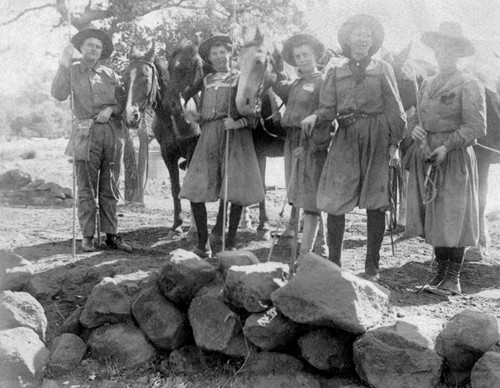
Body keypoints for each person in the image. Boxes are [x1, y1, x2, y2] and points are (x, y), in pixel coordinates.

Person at [301, 14, 406, 281]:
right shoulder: (336, 71)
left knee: (376, 202)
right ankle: (334, 263)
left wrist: (394, 144)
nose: (362, 39)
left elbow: (396, 110)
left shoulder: (383, 68)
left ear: (372, 42)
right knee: (336, 201)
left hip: (377, 135)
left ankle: (372, 266)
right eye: (357, 35)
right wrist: (316, 116)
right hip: (346, 137)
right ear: (347, 40)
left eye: (367, 36)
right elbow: (327, 107)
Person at [406, 22, 486, 295]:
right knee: (436, 215)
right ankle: (439, 274)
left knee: (456, 216)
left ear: (459, 52)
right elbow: (417, 115)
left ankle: (454, 277)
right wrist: (415, 128)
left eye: (450, 48)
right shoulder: (427, 82)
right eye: (440, 47)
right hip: (429, 154)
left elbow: (477, 126)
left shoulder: (469, 83)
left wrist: (447, 146)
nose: (444, 53)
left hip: (455, 157)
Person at [179, 34, 264, 258]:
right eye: (213, 53)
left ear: (230, 54)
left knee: (234, 189)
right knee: (195, 188)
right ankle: (202, 243)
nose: (218, 56)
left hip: (235, 137)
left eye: (222, 51)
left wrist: (239, 122)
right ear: (208, 57)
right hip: (208, 136)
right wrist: (194, 114)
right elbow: (187, 99)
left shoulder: (241, 78)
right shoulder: (206, 81)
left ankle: (230, 240)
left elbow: (255, 113)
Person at [51, 28, 131, 253]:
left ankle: (111, 235)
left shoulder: (110, 74)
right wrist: (62, 64)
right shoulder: (71, 70)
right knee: (86, 188)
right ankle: (87, 236)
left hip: (112, 135)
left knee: (110, 186)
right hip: (85, 134)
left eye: (98, 46)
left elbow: (124, 102)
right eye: (90, 45)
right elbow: (58, 94)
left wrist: (110, 108)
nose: (94, 49)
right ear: (81, 48)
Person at [273, 34, 330, 257]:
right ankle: (321, 244)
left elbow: (326, 115)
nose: (302, 59)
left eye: (306, 55)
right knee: (299, 193)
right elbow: (279, 86)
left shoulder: (322, 82)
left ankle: (307, 252)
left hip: (310, 144)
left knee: (310, 195)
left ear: (316, 56)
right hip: (292, 141)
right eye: (297, 56)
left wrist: (308, 145)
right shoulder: (296, 83)